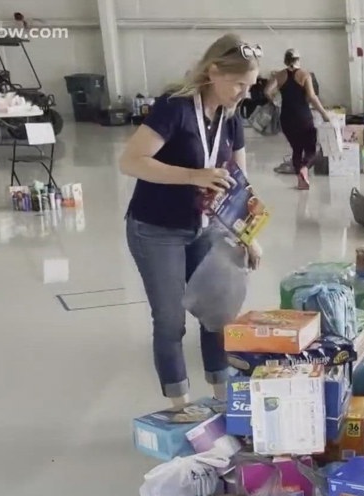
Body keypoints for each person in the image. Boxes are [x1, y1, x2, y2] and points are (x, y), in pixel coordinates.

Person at [118, 34, 262, 409]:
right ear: (214, 71)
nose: (243, 94)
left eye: (250, 87)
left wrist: (248, 235)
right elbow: (131, 161)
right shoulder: (175, 107)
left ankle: (222, 398)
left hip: (206, 228)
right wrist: (193, 175)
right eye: (238, 85)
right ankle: (179, 408)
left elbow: (238, 185)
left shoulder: (231, 119)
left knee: (217, 315)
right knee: (170, 321)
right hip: (156, 228)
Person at [266, 49, 331, 190]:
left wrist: (275, 101)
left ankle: (300, 179)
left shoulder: (279, 75)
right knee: (311, 149)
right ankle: (305, 169)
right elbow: (312, 97)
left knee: (296, 149)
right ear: (298, 60)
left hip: (286, 118)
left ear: (286, 60)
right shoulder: (304, 74)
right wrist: (324, 114)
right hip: (303, 116)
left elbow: (267, 91)